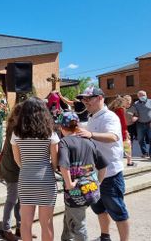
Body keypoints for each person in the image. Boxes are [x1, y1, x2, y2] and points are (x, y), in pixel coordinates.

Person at [76, 86, 130, 241]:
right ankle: (105, 236)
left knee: (118, 211)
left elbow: (113, 137)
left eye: (88, 98)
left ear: (100, 98)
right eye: (83, 99)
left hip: (110, 173)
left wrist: (91, 134)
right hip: (94, 173)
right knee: (99, 208)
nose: (85, 102)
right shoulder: (93, 116)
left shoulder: (109, 116)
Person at [11, 97, 59, 241]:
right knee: (47, 223)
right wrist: (48, 169)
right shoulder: (50, 132)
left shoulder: (16, 133)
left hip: (26, 179)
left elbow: (17, 159)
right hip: (46, 179)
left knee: (25, 223)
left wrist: (27, 168)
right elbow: (55, 161)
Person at [57, 111, 108, 241]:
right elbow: (103, 166)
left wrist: (69, 184)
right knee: (70, 216)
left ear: (62, 127)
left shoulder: (64, 142)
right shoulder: (89, 142)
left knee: (79, 225)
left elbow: (64, 165)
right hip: (91, 190)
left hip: (75, 192)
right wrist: (98, 183)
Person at [0, 103, 24, 241]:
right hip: (11, 168)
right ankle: (6, 229)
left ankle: (21, 227)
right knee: (12, 199)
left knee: (21, 199)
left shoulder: (17, 125)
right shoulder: (15, 127)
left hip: (19, 167)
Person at [108, 96, 136, 167]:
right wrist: (126, 132)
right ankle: (129, 162)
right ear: (123, 102)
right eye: (127, 101)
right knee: (127, 146)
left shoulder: (112, 110)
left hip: (114, 131)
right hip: (121, 132)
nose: (128, 102)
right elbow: (123, 122)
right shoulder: (121, 109)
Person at [128, 90, 151, 158]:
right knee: (140, 140)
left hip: (149, 123)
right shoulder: (136, 104)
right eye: (141, 95)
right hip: (140, 124)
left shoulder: (150, 101)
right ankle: (144, 153)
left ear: (146, 94)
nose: (143, 96)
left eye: (144, 95)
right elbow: (133, 112)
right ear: (138, 96)